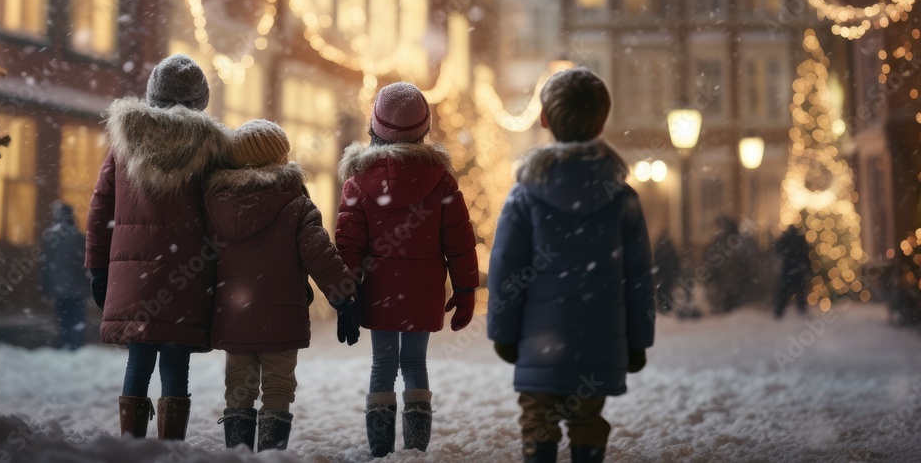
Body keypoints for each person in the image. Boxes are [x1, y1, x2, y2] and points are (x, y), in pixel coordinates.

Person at [487, 67, 655, 463]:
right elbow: (639, 277)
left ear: (544, 119)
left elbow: (506, 270)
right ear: (603, 120)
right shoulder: (621, 197)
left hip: (539, 339)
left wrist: (504, 332)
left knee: (538, 420)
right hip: (600, 337)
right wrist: (637, 339)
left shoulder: (525, 195)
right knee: (587, 419)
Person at [85, 54, 228, 440]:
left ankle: (131, 441)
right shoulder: (212, 150)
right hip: (188, 275)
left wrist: (97, 267)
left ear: (152, 95)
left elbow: (100, 206)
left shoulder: (124, 143)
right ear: (200, 101)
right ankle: (169, 444)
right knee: (176, 361)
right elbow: (222, 214)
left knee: (139, 358)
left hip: (134, 277)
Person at [335, 82, 479, 458]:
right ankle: (416, 445)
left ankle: (380, 446)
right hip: (423, 291)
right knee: (416, 363)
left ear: (373, 126)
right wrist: (465, 290)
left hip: (380, 292)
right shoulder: (442, 181)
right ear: (424, 128)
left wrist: (346, 294)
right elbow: (459, 241)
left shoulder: (358, 182)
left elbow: (348, 246)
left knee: (382, 363)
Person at [203, 119, 361, 451]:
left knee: (238, 386)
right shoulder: (296, 204)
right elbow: (320, 255)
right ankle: (271, 455)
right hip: (282, 315)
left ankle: (238, 453)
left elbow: (203, 261)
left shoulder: (215, 203)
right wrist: (344, 298)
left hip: (234, 314)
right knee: (277, 386)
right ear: (279, 158)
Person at [40, 201, 88, 350]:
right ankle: (74, 345)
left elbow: (45, 266)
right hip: (77, 288)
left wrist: (44, 288)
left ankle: (66, 342)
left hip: (59, 288)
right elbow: (85, 265)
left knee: (64, 319)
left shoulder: (50, 239)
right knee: (76, 318)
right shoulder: (80, 238)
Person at [774, 224, 812, 318]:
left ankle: (779, 313)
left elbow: (778, 250)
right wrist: (807, 268)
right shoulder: (799, 239)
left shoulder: (787, 239)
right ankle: (801, 312)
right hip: (798, 270)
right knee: (799, 293)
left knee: (785, 294)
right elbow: (806, 253)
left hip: (789, 271)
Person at [653, 231, 681, 315]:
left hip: (663, 275)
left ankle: (665, 307)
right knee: (667, 291)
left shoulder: (660, 249)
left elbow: (656, 262)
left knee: (663, 291)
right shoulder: (669, 249)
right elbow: (676, 262)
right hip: (667, 275)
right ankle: (666, 307)